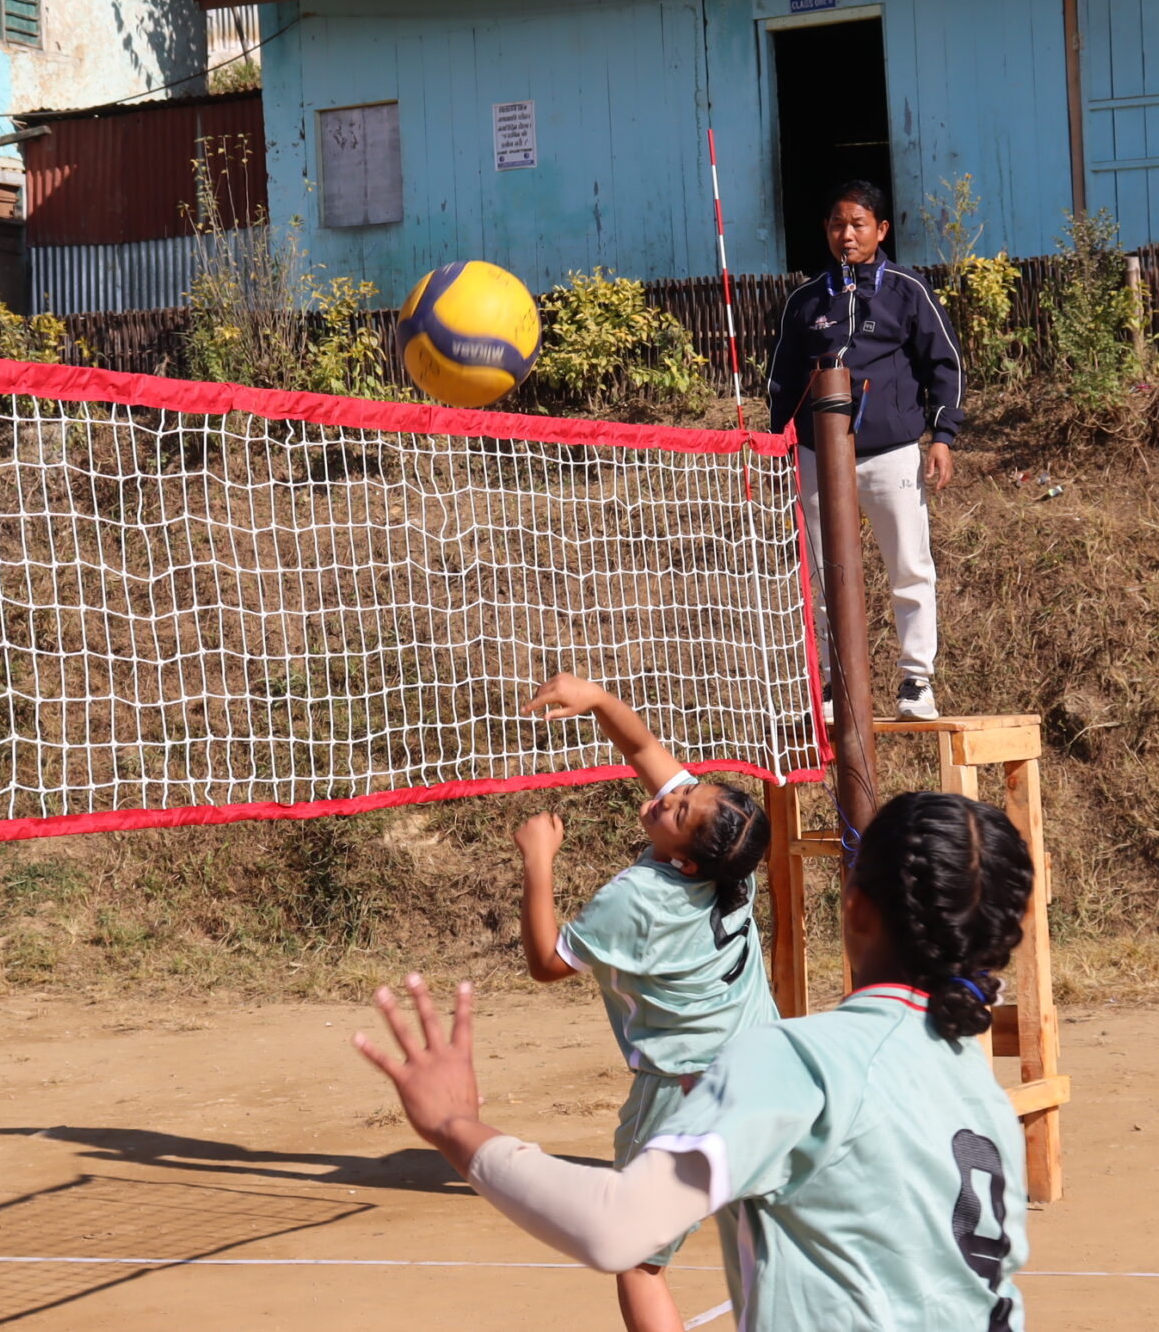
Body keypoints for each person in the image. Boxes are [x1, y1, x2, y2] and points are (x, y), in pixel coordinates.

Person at [357, 791, 1034, 1332]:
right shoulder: (982, 1094)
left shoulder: (799, 1060)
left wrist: (455, 1126)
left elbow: (616, 1227)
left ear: (854, 908)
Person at [513, 672, 776, 1332]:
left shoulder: (638, 899)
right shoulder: (732, 866)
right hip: (768, 1074)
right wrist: (598, 698)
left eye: (680, 807)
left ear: (687, 858)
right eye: (685, 790)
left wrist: (538, 861)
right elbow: (644, 751)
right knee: (768, 1242)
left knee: (636, 1258)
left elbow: (547, 962)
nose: (670, 796)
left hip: (680, 1093)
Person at [765, 183, 965, 723]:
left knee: (909, 567)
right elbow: (782, 383)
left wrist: (942, 438)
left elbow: (944, 365)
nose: (846, 234)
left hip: (892, 453)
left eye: (857, 223)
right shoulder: (805, 302)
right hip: (815, 456)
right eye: (836, 224)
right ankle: (836, 687)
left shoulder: (908, 291)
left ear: (881, 230)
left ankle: (916, 682)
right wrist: (776, 445)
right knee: (827, 576)